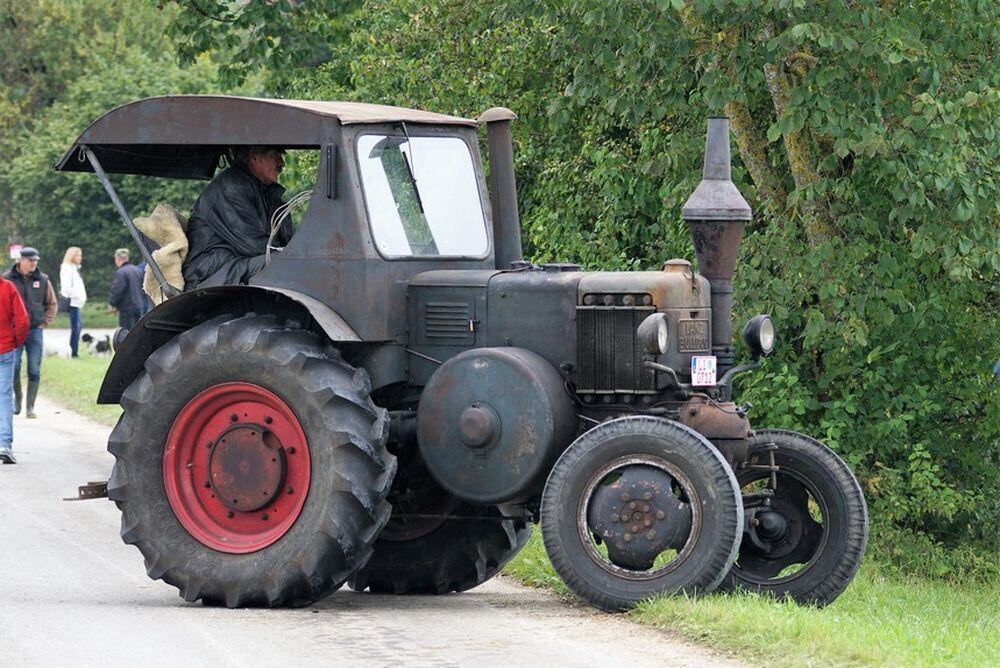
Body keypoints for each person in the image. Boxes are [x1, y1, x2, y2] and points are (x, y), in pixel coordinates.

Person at [181, 146, 293, 290]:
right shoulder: (233, 186)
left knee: (291, 260)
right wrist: (292, 254)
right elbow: (255, 246)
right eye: (275, 155)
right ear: (254, 157)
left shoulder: (264, 191)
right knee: (285, 262)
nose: (282, 163)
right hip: (211, 272)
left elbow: (284, 239)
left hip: (232, 264)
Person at [3, 246, 57, 419]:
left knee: (34, 368)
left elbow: (52, 303)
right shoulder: (7, 279)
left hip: (34, 330)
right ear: (21, 260)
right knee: (15, 367)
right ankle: (17, 402)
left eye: (35, 260)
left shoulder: (42, 280)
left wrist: (45, 321)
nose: (34, 263)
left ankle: (30, 407)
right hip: (14, 331)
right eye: (30, 260)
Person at [0, 274, 29, 463]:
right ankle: (4, 444)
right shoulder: (7, 287)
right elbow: (22, 320)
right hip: (5, 349)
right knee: (4, 396)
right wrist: (15, 342)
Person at [60, 246, 87, 358]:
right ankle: (74, 352)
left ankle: (74, 350)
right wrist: (78, 296)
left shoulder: (75, 268)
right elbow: (66, 288)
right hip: (73, 302)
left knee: (78, 327)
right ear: (72, 256)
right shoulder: (67, 268)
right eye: (77, 255)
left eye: (80, 255)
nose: (80, 257)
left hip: (77, 303)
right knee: (76, 327)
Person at [108, 248, 144, 329]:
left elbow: (117, 290)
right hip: (139, 306)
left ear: (117, 259)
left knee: (126, 333)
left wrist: (112, 304)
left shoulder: (121, 272)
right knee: (137, 332)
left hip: (127, 308)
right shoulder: (137, 270)